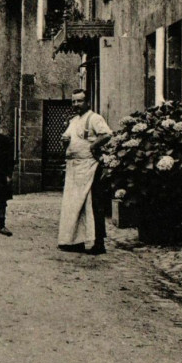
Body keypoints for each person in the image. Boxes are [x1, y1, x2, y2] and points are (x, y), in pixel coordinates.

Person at [58, 89, 112, 255]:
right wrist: (64, 141)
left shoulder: (94, 118)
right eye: (73, 101)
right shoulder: (74, 121)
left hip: (90, 166)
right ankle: (76, 241)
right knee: (75, 205)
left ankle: (98, 243)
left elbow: (107, 134)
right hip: (74, 168)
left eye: (79, 101)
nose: (76, 105)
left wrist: (92, 146)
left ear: (87, 102)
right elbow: (67, 139)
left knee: (94, 204)